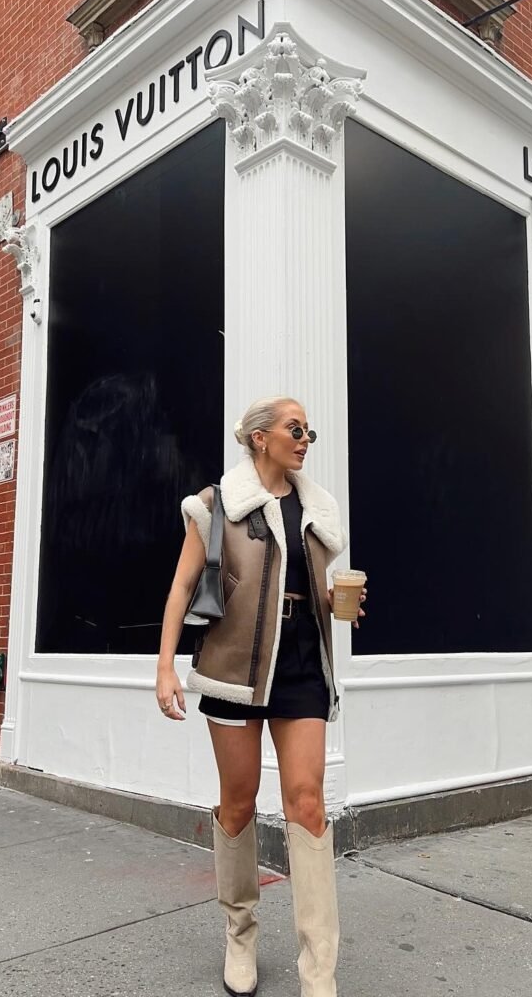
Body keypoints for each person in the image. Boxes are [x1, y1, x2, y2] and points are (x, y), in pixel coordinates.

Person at [156, 396, 366, 997]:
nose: (305, 440)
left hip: (301, 662)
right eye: (294, 429)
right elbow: (182, 584)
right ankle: (240, 935)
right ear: (258, 438)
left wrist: (334, 604)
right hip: (233, 667)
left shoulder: (314, 508)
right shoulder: (216, 506)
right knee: (239, 802)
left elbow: (302, 588)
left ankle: (318, 970)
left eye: (309, 430)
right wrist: (166, 666)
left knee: (308, 804)